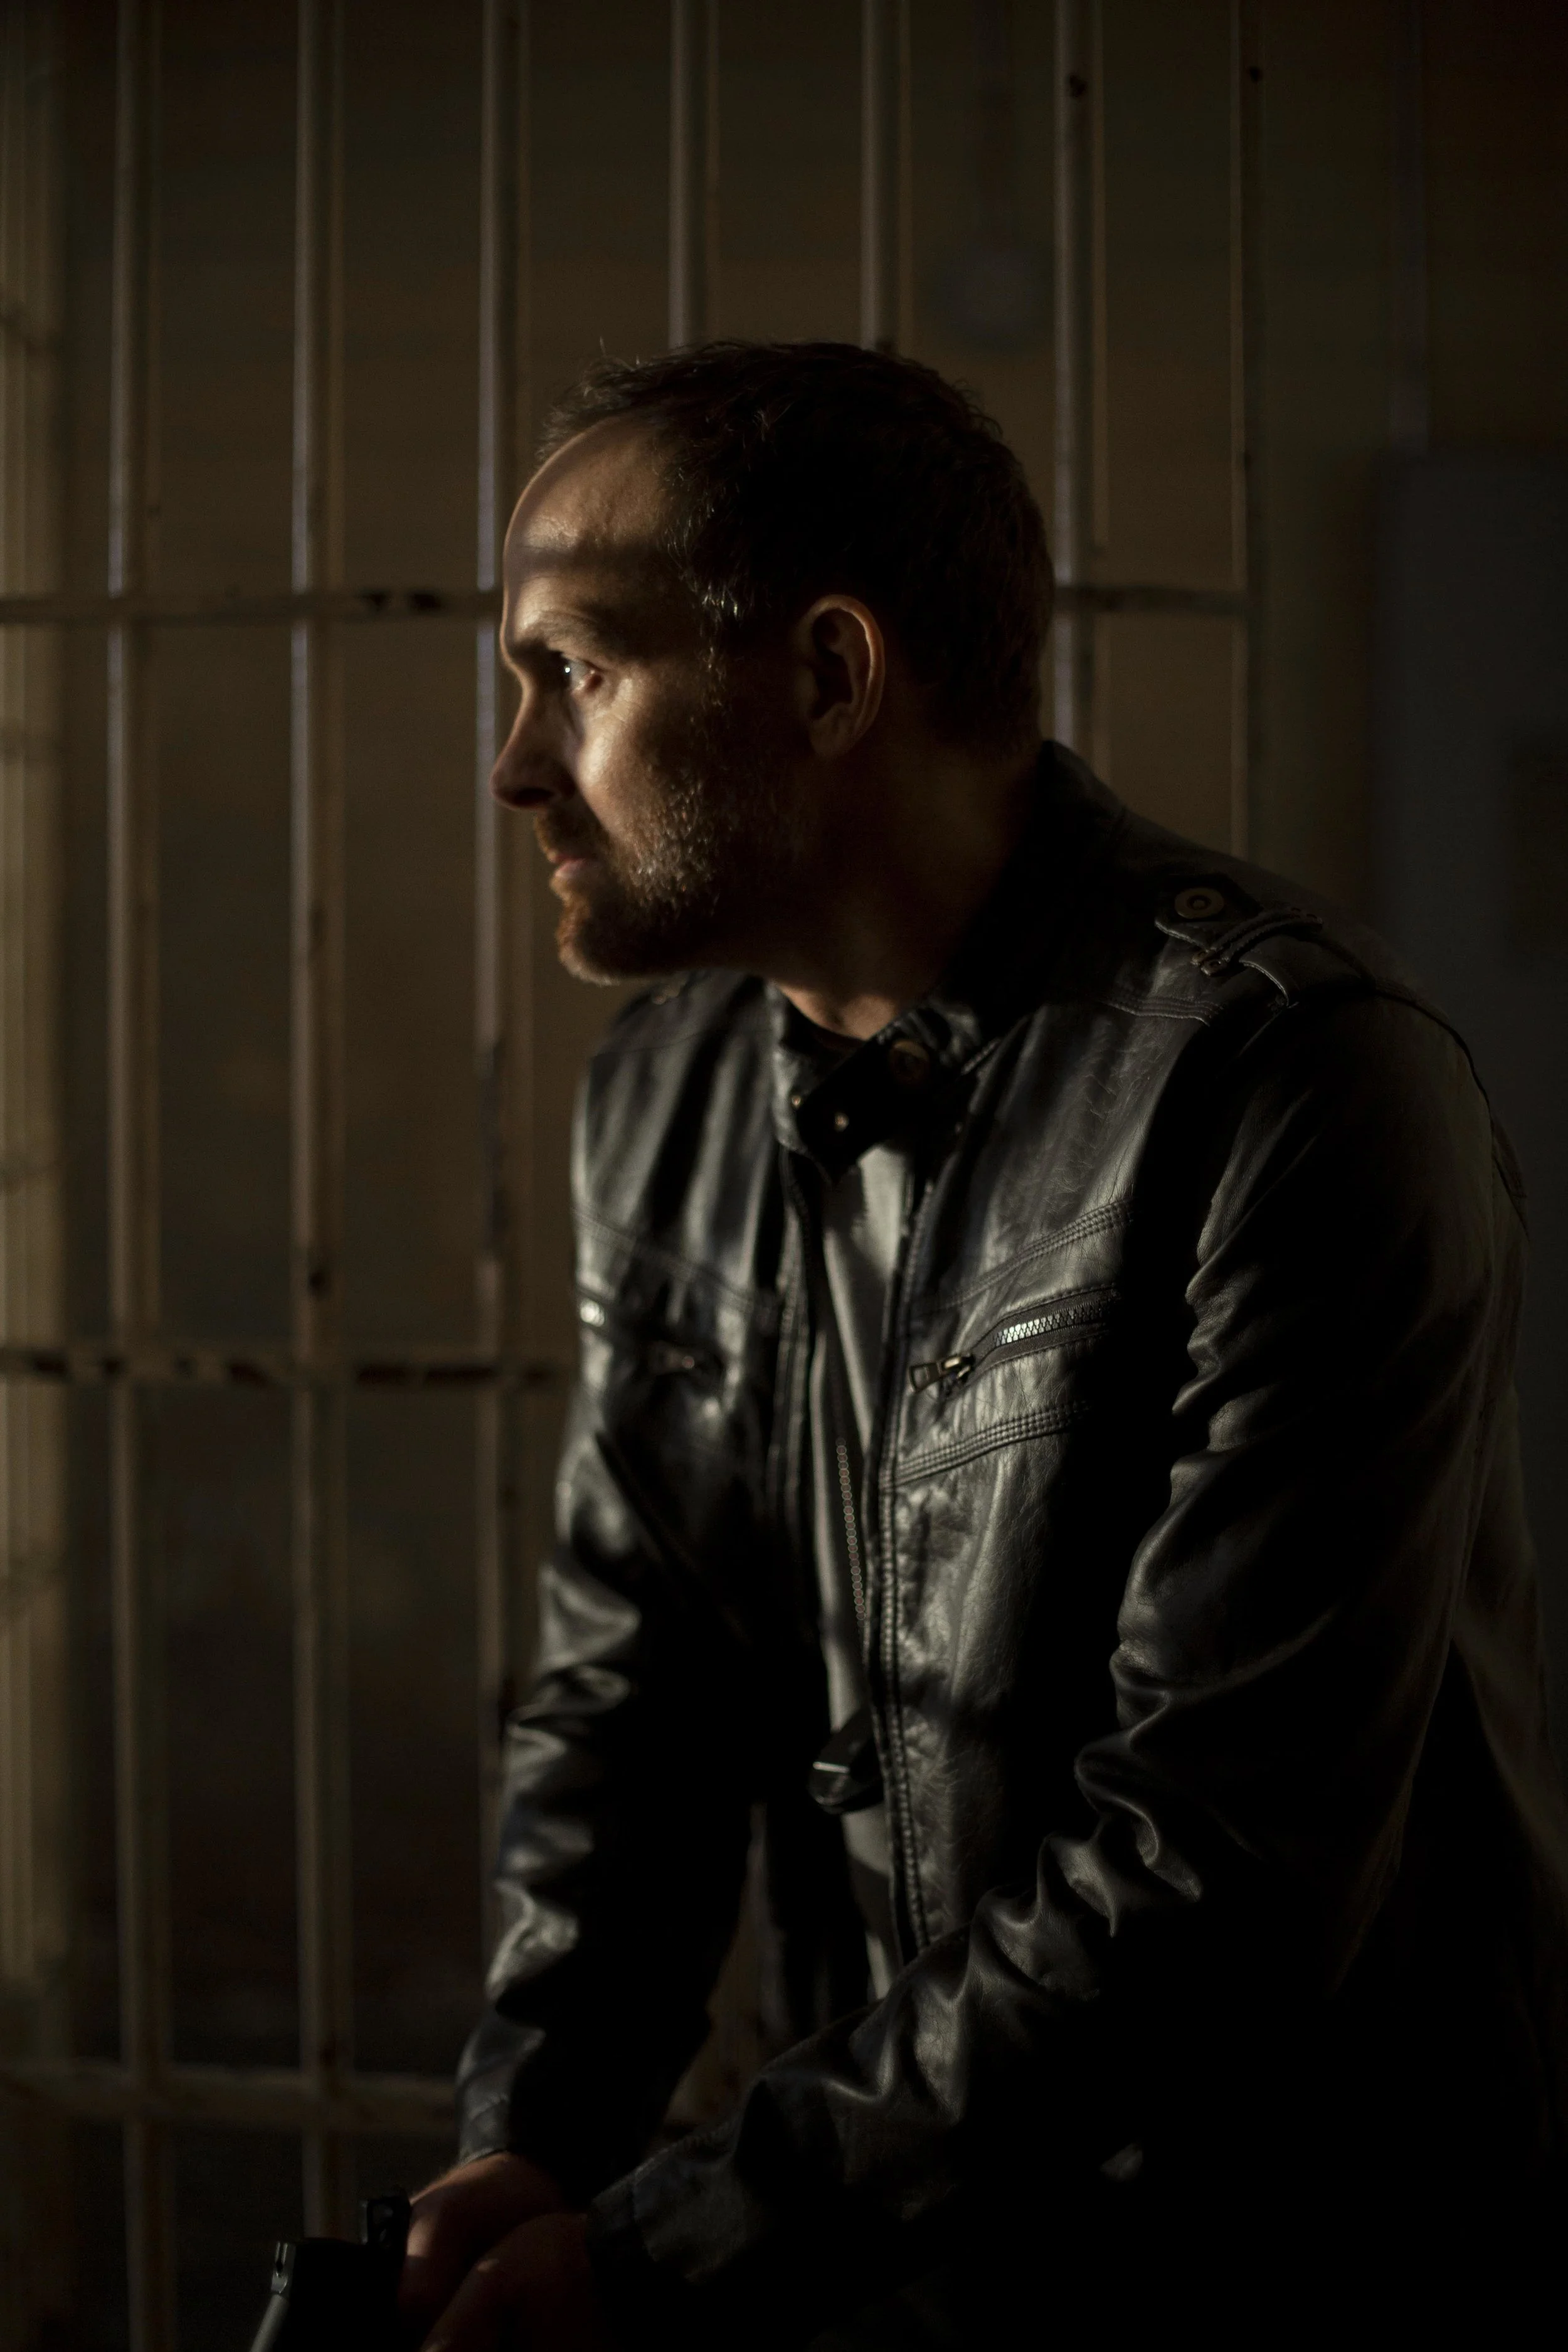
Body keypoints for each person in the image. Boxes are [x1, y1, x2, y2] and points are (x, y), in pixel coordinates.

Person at [397, 341, 1568, 2349]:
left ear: (831, 678)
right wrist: (534, 2139)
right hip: (903, 2248)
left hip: (1302, 2265)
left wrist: (669, 2250)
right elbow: (630, 1698)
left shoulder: (1288, 1085)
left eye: (574, 673)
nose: (513, 764)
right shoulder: (663, 1097)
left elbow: (1214, 1869)